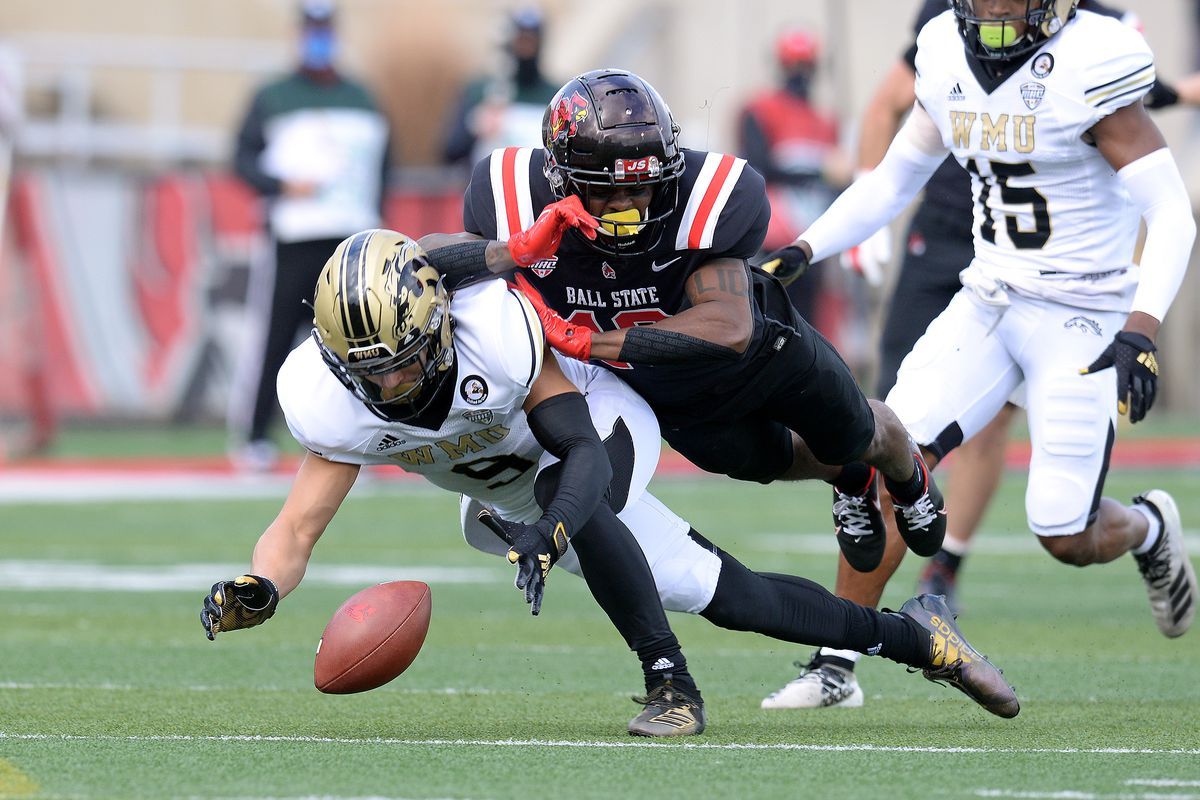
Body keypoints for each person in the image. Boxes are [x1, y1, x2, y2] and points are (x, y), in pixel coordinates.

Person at [200, 227, 1022, 740]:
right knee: (732, 597)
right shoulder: (331, 400)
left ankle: (670, 684)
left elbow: (583, 455)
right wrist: (260, 585)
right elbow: (298, 528)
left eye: (407, 358)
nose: (391, 387)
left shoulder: (494, 336)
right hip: (510, 495)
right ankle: (925, 641)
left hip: (596, 430)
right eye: (370, 374)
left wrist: (554, 525)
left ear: (440, 322)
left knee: (579, 497)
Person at [762, 0, 1197, 706]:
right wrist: (805, 248)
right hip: (991, 297)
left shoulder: (1096, 58)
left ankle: (1148, 528)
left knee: (1064, 530)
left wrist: (1141, 329)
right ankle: (836, 660)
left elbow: (1170, 212)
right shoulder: (941, 49)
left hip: (1083, 313)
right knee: (883, 454)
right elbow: (893, 179)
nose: (994, 8)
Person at [448, 68, 948, 581]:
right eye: (605, 190)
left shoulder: (707, 196)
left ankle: (907, 473)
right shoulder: (513, 195)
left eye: (643, 186)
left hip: (764, 356)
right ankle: (851, 478)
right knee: (764, 462)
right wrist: (511, 249)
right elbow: (421, 264)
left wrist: (588, 342)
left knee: (852, 432)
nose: (627, 206)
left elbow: (730, 328)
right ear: (561, 178)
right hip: (665, 386)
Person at [229, 0, 392, 471]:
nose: (318, 36)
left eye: (325, 27)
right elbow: (240, 157)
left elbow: (384, 166)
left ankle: (365, 436)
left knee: (355, 340)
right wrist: (281, 187)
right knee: (276, 337)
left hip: (348, 239)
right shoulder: (274, 95)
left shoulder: (362, 96)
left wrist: (374, 220)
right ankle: (255, 435)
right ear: (298, 32)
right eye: (311, 27)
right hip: (295, 234)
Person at [736, 29, 846, 324]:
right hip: (774, 235)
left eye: (805, 65)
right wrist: (819, 172)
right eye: (792, 65)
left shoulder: (826, 120)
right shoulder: (759, 110)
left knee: (808, 321)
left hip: (813, 236)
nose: (799, 73)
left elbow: (838, 177)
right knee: (770, 315)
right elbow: (757, 166)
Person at [441, 7, 560, 170]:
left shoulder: (556, 97)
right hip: (488, 189)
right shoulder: (480, 92)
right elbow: (450, 150)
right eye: (521, 41)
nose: (525, 49)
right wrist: (475, 125)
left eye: (530, 42)